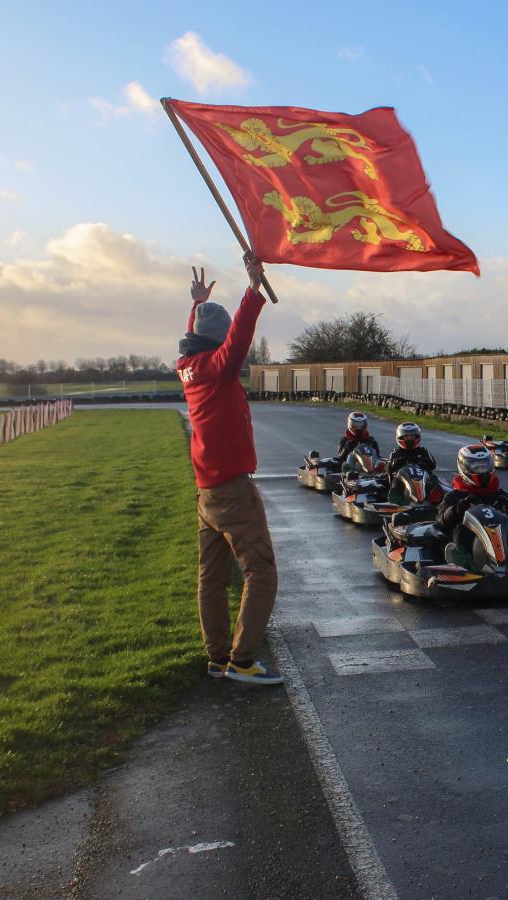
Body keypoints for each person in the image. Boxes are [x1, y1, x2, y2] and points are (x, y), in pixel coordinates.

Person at [177, 255, 282, 686]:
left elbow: (204, 337)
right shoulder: (216, 370)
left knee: (212, 578)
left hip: (206, 492)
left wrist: (198, 305)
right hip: (233, 492)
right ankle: (242, 660)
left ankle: (218, 657)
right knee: (262, 573)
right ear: (216, 344)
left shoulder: (188, 367)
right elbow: (237, 340)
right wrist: (252, 291)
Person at [437, 444, 508, 569]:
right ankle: (463, 563)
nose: (482, 470)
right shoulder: (455, 495)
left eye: (485, 465)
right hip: (472, 542)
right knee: (459, 530)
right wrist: (458, 508)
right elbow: (441, 520)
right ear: (464, 467)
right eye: (477, 466)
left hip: (497, 538)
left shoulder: (499, 495)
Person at [385, 422, 439, 505]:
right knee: (397, 477)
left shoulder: (423, 451)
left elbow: (432, 465)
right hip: (404, 482)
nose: (410, 439)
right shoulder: (396, 453)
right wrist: (397, 462)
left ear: (417, 436)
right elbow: (388, 469)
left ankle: (434, 498)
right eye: (406, 436)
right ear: (400, 437)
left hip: (421, 479)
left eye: (412, 436)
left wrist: (424, 460)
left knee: (433, 477)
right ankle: (396, 499)